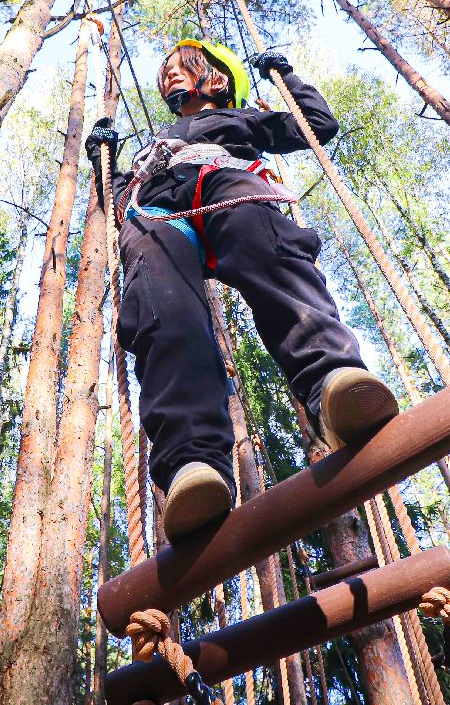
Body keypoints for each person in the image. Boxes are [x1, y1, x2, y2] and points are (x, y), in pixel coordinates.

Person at [85, 40, 400, 541]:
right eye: (164, 72)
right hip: (155, 205)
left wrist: (286, 76)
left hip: (224, 176)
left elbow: (314, 125)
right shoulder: (156, 142)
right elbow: (111, 195)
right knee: (160, 311)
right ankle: (193, 462)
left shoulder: (241, 118)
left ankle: (333, 380)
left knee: (263, 243)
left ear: (216, 78)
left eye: (179, 68)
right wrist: (101, 159)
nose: (167, 76)